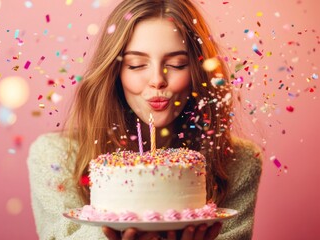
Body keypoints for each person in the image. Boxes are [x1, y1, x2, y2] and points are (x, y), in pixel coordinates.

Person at [27, 0, 262, 239]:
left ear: (197, 71)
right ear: (115, 72)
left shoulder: (239, 160)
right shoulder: (55, 155)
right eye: (137, 65)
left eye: (176, 64)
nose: (157, 79)